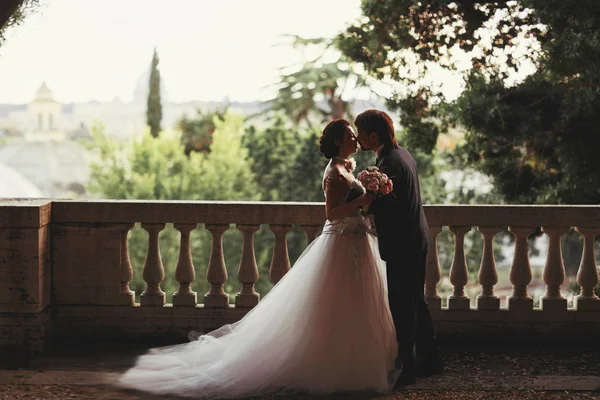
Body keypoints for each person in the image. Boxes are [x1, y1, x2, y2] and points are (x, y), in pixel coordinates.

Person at [117, 118, 398, 399]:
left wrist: (369, 201)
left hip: (358, 243)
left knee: (357, 304)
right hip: (341, 243)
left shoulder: (348, 167)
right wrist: (362, 202)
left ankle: (356, 363)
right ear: (338, 141)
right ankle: (332, 366)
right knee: (335, 306)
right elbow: (331, 214)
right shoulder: (335, 171)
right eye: (350, 135)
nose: (355, 139)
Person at [355, 109, 443, 385]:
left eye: (360, 134)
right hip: (416, 238)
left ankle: (407, 367)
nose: (358, 139)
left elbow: (389, 206)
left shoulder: (390, 164)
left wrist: (365, 203)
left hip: (403, 243)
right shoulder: (401, 154)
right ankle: (431, 360)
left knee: (402, 305)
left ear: (373, 135)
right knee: (416, 300)